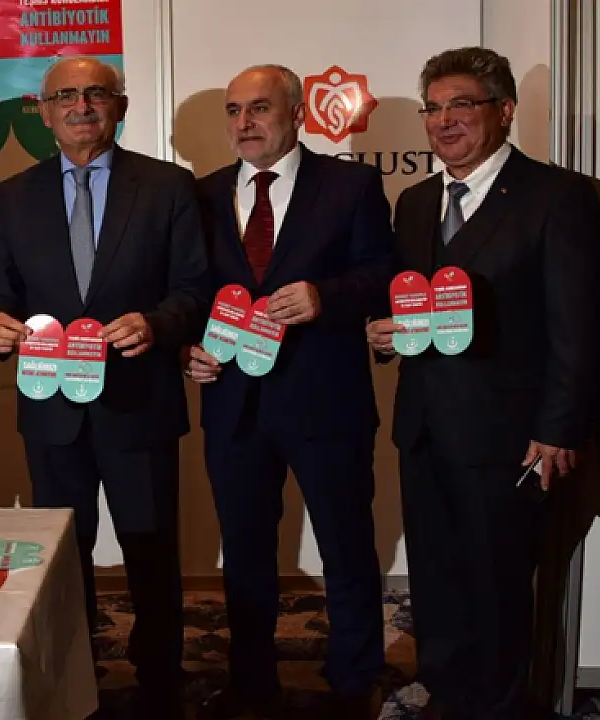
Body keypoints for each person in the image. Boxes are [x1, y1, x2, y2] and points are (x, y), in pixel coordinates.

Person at [365, 47, 600, 718]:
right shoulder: (416, 202)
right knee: (436, 579)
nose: (444, 121)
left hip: (509, 438)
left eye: (461, 105)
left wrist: (557, 429)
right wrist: (384, 335)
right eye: (433, 108)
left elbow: (577, 326)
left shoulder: (555, 196)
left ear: (504, 111)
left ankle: (496, 707)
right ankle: (447, 691)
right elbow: (409, 307)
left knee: (497, 585)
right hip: (423, 428)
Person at [0, 56, 208, 716]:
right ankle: (73, 680)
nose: (81, 106)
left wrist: (157, 324)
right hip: (51, 408)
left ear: (121, 106)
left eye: (96, 94)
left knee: (150, 548)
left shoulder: (168, 187)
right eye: (66, 96)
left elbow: (193, 288)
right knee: (62, 556)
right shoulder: (13, 196)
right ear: (45, 112)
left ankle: (159, 681)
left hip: (139, 402)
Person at [187, 64, 394, 720]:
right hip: (233, 402)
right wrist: (188, 349)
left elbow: (382, 275)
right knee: (245, 551)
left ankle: (354, 679)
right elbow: (188, 292)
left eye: (260, 108)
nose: (244, 122)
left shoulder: (351, 185)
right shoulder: (201, 194)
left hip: (326, 400)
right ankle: (251, 681)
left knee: (345, 545)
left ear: (297, 113)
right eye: (234, 110)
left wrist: (324, 297)